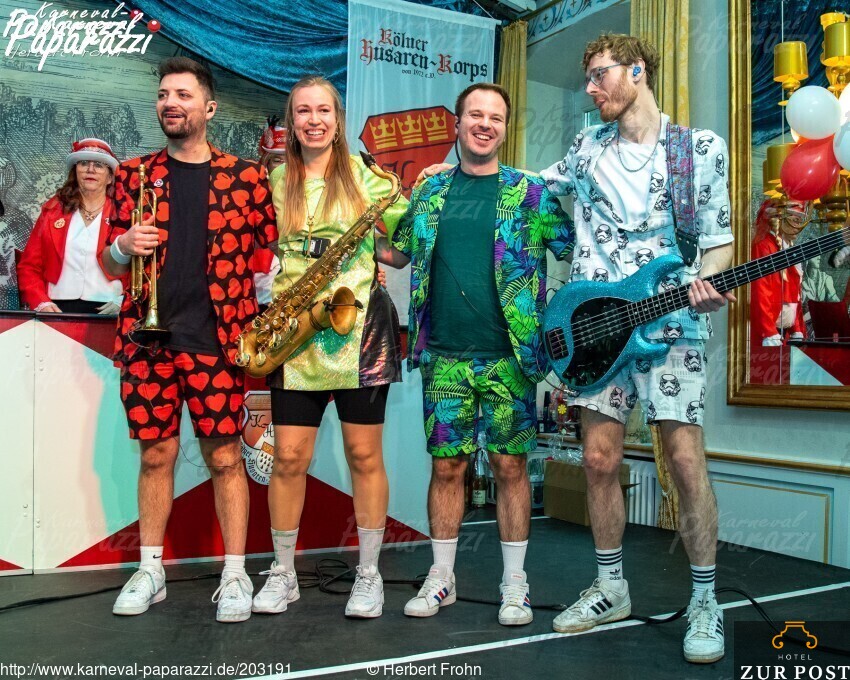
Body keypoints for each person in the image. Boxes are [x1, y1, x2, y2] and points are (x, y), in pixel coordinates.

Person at [539, 34, 734, 664]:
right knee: (598, 459)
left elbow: (719, 243)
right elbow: (532, 186)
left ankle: (704, 599)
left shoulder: (699, 149)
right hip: (596, 325)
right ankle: (610, 587)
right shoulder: (586, 149)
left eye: (600, 76)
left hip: (670, 321)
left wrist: (708, 285)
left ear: (638, 71)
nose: (590, 89)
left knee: (683, 459)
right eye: (587, 79)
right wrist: (458, 169)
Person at [381, 82, 573, 626]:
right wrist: (332, 234)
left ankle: (515, 585)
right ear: (459, 123)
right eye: (476, 115)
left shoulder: (530, 193)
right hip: (444, 356)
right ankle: (442, 578)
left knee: (511, 467)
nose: (485, 124)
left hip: (511, 358)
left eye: (496, 117)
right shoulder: (431, 191)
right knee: (447, 467)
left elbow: (578, 248)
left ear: (504, 128)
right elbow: (396, 253)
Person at [100, 57, 277, 623]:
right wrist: (123, 246)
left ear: (209, 107)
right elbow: (109, 262)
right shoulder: (132, 175)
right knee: (156, 455)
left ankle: (235, 573)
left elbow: (269, 258)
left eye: (182, 94)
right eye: (163, 95)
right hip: (147, 342)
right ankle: (150, 570)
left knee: (226, 458)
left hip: (218, 342)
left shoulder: (246, 178)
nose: (170, 103)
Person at [251, 75, 407, 620]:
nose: (313, 120)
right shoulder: (274, 181)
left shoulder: (369, 177)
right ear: (291, 122)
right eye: (303, 111)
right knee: (288, 458)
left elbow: (403, 249)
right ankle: (283, 573)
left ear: (338, 120)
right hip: (295, 335)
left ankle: (369, 574)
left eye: (323, 111)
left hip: (359, 333)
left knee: (365, 456)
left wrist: (382, 248)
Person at [18, 139, 123, 314]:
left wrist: (124, 302)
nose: (90, 169)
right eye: (83, 163)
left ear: (110, 177)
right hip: (58, 309)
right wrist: (41, 302)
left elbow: (145, 267)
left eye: (99, 165)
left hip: (110, 309)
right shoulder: (52, 211)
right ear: (75, 172)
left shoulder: (124, 213)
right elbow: (29, 266)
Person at [750, 199, 807, 347]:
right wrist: (768, 331)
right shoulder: (763, 246)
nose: (799, 227)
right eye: (795, 220)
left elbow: (795, 294)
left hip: (784, 333)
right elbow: (760, 290)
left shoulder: (787, 247)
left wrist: (796, 329)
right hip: (769, 332)